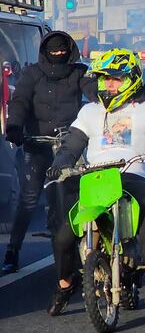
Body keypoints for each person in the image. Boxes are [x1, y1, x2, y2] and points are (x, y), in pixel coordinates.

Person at [45, 49, 145, 315]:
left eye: (116, 78)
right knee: (63, 235)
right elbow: (72, 144)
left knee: (144, 217)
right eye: (105, 78)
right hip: (95, 176)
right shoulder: (90, 111)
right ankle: (64, 285)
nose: (109, 84)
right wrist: (60, 163)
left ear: (131, 78)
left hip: (132, 173)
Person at [2, 31, 93, 274]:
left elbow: (97, 94)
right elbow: (19, 101)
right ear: (44, 52)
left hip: (69, 145)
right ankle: (13, 250)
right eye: (53, 51)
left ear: (70, 51)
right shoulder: (32, 74)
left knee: (71, 198)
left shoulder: (79, 72)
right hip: (37, 143)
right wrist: (14, 127)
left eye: (63, 51)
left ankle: (76, 249)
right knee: (28, 199)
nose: (58, 55)